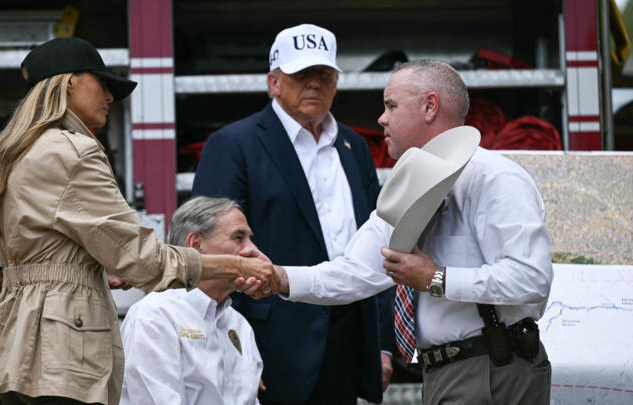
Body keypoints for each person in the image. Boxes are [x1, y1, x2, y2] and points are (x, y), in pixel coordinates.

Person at [0, 37, 275, 405]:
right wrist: (230, 266)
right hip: (65, 358)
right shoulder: (75, 151)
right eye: (102, 83)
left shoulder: (7, 158)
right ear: (70, 82)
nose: (110, 97)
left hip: (13, 353)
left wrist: (85, 274)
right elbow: (144, 259)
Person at [268, 59, 554, 404]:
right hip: (449, 372)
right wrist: (276, 278)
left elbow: (531, 278)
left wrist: (437, 278)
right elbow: (354, 272)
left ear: (429, 106)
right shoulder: (410, 186)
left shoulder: (494, 178)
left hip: (494, 369)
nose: (381, 119)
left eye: (390, 105)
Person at [193, 24, 393, 405]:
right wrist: (231, 347)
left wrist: (381, 344)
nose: (313, 84)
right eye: (301, 75)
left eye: (324, 74)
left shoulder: (355, 147)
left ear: (336, 82)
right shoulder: (234, 145)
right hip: (271, 344)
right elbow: (213, 251)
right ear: (274, 82)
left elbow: (379, 244)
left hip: (349, 337)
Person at [120, 197, 265, 405]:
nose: (251, 249)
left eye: (249, 239)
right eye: (238, 238)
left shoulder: (238, 323)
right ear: (195, 244)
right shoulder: (153, 315)